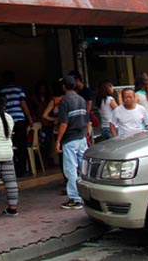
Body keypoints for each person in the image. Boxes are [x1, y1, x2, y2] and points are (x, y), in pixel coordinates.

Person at [54, 75, 89, 209]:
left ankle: (75, 198)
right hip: (82, 138)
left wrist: (58, 140)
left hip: (70, 139)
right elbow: (86, 120)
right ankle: (86, 195)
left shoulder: (64, 101)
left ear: (64, 87)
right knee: (83, 168)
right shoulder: (81, 99)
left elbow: (63, 123)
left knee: (70, 170)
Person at [0, 71, 33, 177]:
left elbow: (0, 107)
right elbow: (23, 104)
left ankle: (11, 170)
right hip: (19, 121)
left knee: (9, 146)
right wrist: (30, 118)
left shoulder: (2, 91)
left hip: (7, 121)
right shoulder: (19, 89)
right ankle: (22, 171)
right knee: (22, 146)